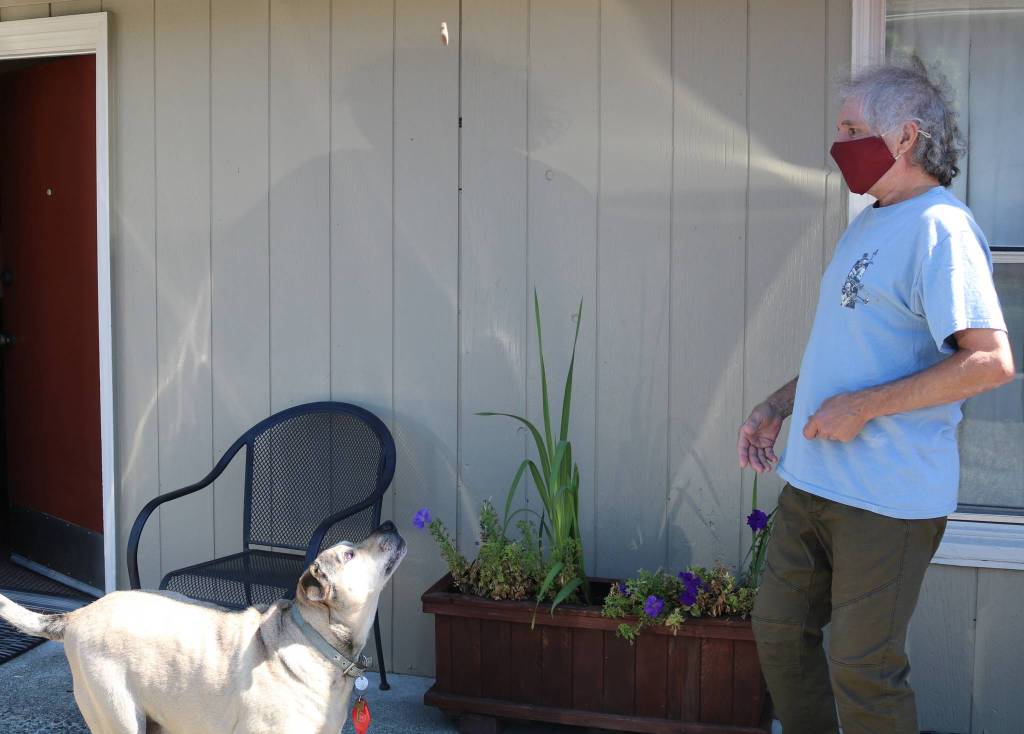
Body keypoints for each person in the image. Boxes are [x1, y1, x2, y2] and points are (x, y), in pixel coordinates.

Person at [737, 61, 1015, 734]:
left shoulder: (940, 230)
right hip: (813, 481)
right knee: (777, 630)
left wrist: (861, 408)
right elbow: (852, 353)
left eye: (853, 129)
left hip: (885, 500)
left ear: (907, 137)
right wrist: (780, 404)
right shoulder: (869, 224)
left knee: (864, 670)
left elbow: (989, 361)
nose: (839, 145)